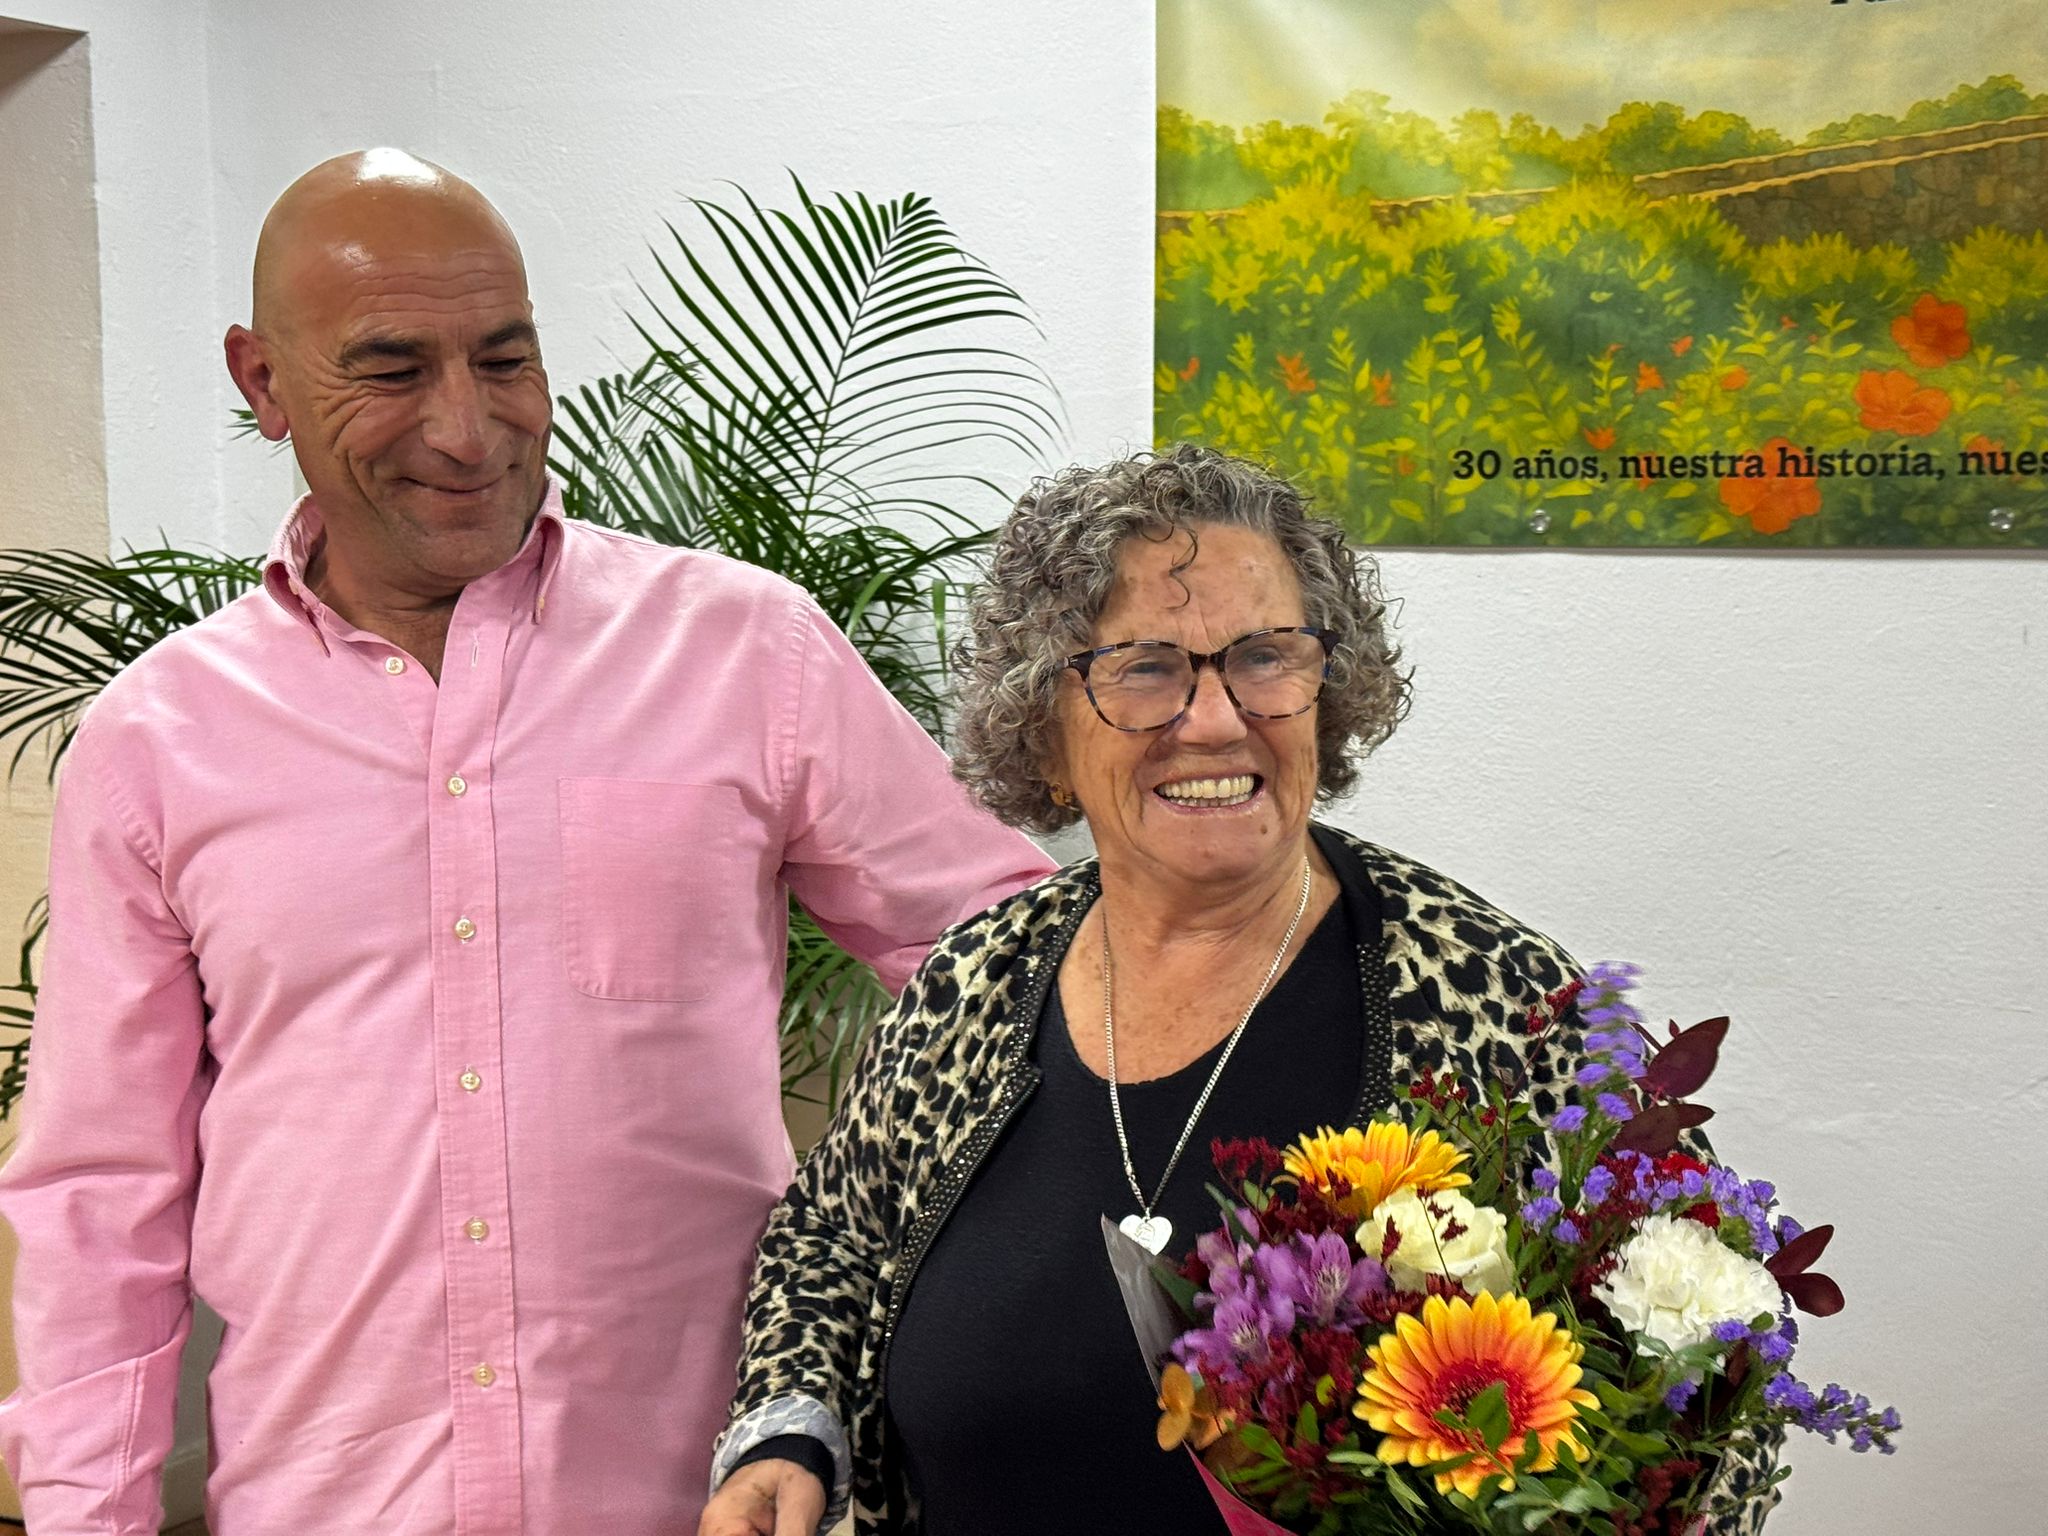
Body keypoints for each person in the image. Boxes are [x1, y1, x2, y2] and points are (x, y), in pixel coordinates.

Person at [0, 149, 1052, 1536]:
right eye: (391, 369)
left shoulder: (747, 652)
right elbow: (101, 1197)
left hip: (714, 1505)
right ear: (262, 381)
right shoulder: (157, 740)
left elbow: (1024, 982)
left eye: (504, 359)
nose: (467, 427)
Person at [699, 445, 1779, 1536]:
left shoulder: (1508, 1005)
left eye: (1263, 657)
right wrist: (787, 1433)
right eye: (1144, 668)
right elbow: (829, 1236)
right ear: (1046, 728)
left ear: (1325, 693)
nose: (1213, 719)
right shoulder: (972, 984)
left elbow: (1713, 1384)